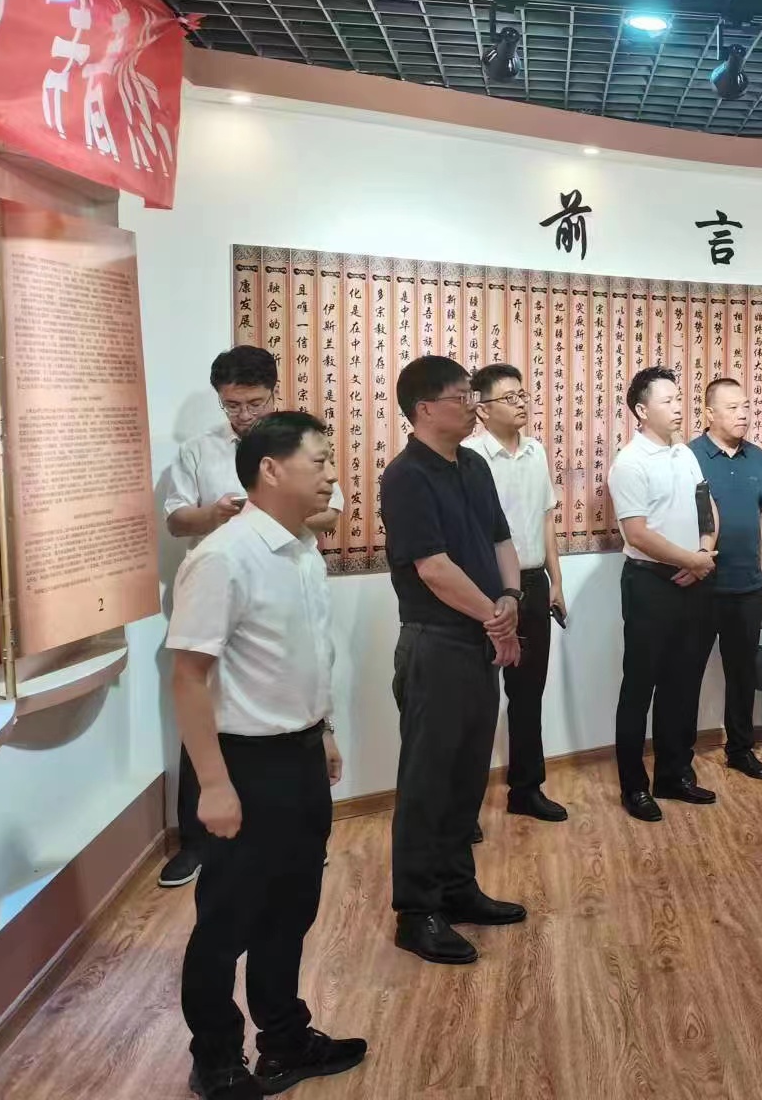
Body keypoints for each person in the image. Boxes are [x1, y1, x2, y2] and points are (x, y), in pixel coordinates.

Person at [165, 411, 366, 1099]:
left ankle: (284, 1039)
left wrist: (324, 729)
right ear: (271, 469)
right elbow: (188, 677)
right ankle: (217, 1058)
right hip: (245, 765)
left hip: (300, 756)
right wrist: (213, 785)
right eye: (319, 461)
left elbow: (307, 655)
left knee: (292, 907)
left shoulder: (302, 548)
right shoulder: (223, 557)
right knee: (228, 919)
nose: (331, 475)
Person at [160, 345, 344, 891]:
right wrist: (217, 513)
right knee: (211, 713)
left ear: (272, 392)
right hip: (223, 590)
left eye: (253, 402)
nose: (243, 415)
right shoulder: (200, 456)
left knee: (293, 687)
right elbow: (176, 520)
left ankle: (289, 847)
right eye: (231, 405)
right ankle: (200, 839)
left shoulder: (295, 451)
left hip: (281, 578)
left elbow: (330, 514)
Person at [380, 356, 527, 966]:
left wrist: (512, 597)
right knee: (428, 781)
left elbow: (500, 539)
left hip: (478, 637)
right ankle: (417, 912)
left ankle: (457, 890)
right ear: (424, 409)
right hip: (435, 641)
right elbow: (433, 569)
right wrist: (496, 618)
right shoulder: (405, 476)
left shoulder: (473, 464)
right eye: (462, 396)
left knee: (467, 774)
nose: (474, 405)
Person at [609, 366, 719, 821]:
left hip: (693, 579)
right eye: (668, 400)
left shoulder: (684, 453)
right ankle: (634, 787)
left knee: (683, 683)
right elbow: (636, 533)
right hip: (649, 584)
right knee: (640, 687)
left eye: (679, 398)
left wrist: (703, 553)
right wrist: (690, 560)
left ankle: (674, 774)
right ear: (641, 410)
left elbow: (706, 507)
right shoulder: (630, 462)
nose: (678, 407)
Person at [463, 363, 567, 822]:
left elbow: (546, 519)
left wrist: (556, 582)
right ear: (482, 409)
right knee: (476, 700)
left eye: (523, 394)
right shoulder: (469, 457)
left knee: (528, 694)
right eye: (510, 397)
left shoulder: (535, 451)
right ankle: (463, 809)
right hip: (485, 588)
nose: (522, 402)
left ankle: (526, 790)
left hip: (532, 583)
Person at [690, 377, 762, 780]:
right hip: (700, 584)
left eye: (746, 406)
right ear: (709, 413)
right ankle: (679, 756)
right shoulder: (690, 455)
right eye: (732, 408)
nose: (743, 414)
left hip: (746, 585)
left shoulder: (757, 457)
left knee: (743, 674)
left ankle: (740, 749)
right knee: (688, 672)